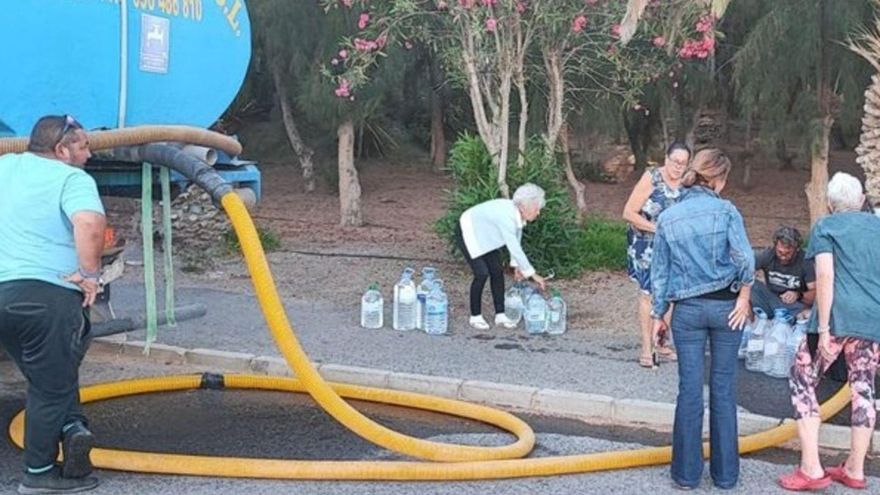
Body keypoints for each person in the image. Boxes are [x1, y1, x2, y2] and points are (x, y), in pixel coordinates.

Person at [0, 115, 105, 493]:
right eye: (82, 146)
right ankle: (38, 474)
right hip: (46, 297)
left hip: (2, 292)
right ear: (61, 150)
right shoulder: (72, 179)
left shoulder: (5, 165)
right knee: (50, 387)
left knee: (49, 374)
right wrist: (90, 275)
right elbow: (90, 225)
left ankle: (72, 426)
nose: (89, 154)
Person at [651, 148, 754, 490]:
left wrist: (658, 316)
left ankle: (686, 474)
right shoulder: (726, 211)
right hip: (728, 311)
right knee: (724, 390)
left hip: (688, 312)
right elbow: (745, 260)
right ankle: (725, 477)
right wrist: (743, 296)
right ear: (719, 180)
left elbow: (660, 273)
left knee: (690, 391)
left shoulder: (669, 217)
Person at [779, 172, 880, 492]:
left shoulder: (826, 226)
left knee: (801, 378)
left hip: (836, 320)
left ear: (831, 205)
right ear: (862, 200)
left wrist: (822, 329)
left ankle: (811, 468)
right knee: (864, 389)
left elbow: (824, 275)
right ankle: (855, 468)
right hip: (872, 321)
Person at [623, 142, 690, 368]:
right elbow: (629, 212)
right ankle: (646, 347)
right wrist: (658, 229)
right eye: (675, 161)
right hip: (647, 244)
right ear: (666, 158)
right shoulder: (652, 177)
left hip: (674, 247)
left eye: (683, 163)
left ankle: (660, 341)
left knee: (670, 295)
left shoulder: (687, 183)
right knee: (649, 295)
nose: (678, 167)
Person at [456, 183, 548, 330]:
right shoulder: (507, 217)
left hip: (485, 235)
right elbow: (514, 246)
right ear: (525, 207)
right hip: (467, 230)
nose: (538, 213)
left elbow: (516, 238)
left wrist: (515, 265)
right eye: (537, 209)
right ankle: (475, 316)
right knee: (481, 273)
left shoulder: (517, 214)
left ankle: (500, 314)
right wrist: (533, 274)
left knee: (497, 271)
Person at [751, 225, 815, 317]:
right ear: (775, 246)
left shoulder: (805, 261)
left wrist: (798, 295)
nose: (783, 256)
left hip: (795, 305)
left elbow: (816, 292)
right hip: (772, 299)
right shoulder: (767, 255)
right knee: (751, 285)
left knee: (808, 313)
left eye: (788, 253)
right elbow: (746, 271)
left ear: (797, 249)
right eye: (780, 252)